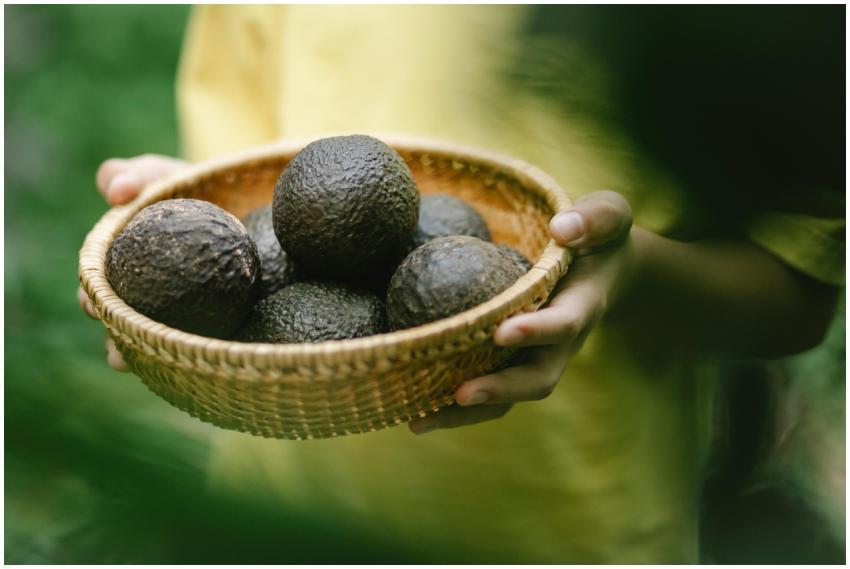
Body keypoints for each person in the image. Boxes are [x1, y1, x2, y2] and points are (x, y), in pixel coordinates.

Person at [78, 5, 844, 563]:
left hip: (576, 536)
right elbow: (251, 220)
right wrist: (172, 248)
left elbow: (797, 295)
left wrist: (630, 274)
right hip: (275, 521)